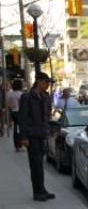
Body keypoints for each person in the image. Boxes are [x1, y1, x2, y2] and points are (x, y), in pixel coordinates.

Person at [18, 72, 55, 202]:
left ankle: (42, 189)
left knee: (40, 164)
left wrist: (48, 130)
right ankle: (37, 192)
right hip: (31, 135)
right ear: (38, 81)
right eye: (46, 82)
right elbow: (22, 119)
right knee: (35, 164)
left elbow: (47, 116)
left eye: (49, 83)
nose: (48, 85)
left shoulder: (45, 96)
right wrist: (23, 137)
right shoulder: (27, 97)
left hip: (42, 135)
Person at [7, 79, 25, 151]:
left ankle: (17, 145)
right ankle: (19, 145)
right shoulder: (20, 94)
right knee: (20, 129)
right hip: (19, 113)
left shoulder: (11, 94)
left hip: (13, 112)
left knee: (16, 129)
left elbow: (8, 104)